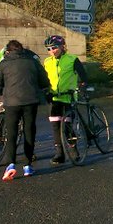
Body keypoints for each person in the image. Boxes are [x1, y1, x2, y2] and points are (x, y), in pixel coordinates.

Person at [0, 40, 51, 181]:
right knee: (29, 131)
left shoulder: (4, 63)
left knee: (11, 133)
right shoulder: (32, 62)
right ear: (22, 50)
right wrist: (42, 88)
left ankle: (10, 165)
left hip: (11, 103)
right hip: (30, 101)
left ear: (8, 51)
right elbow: (44, 80)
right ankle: (27, 165)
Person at [43, 35, 88, 165]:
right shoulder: (47, 62)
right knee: (55, 125)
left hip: (68, 97)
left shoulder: (72, 59)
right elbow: (44, 79)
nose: (52, 51)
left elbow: (83, 76)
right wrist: (45, 91)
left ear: (62, 47)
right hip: (54, 97)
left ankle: (74, 151)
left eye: (54, 48)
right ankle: (59, 154)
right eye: (49, 49)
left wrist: (82, 85)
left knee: (67, 125)